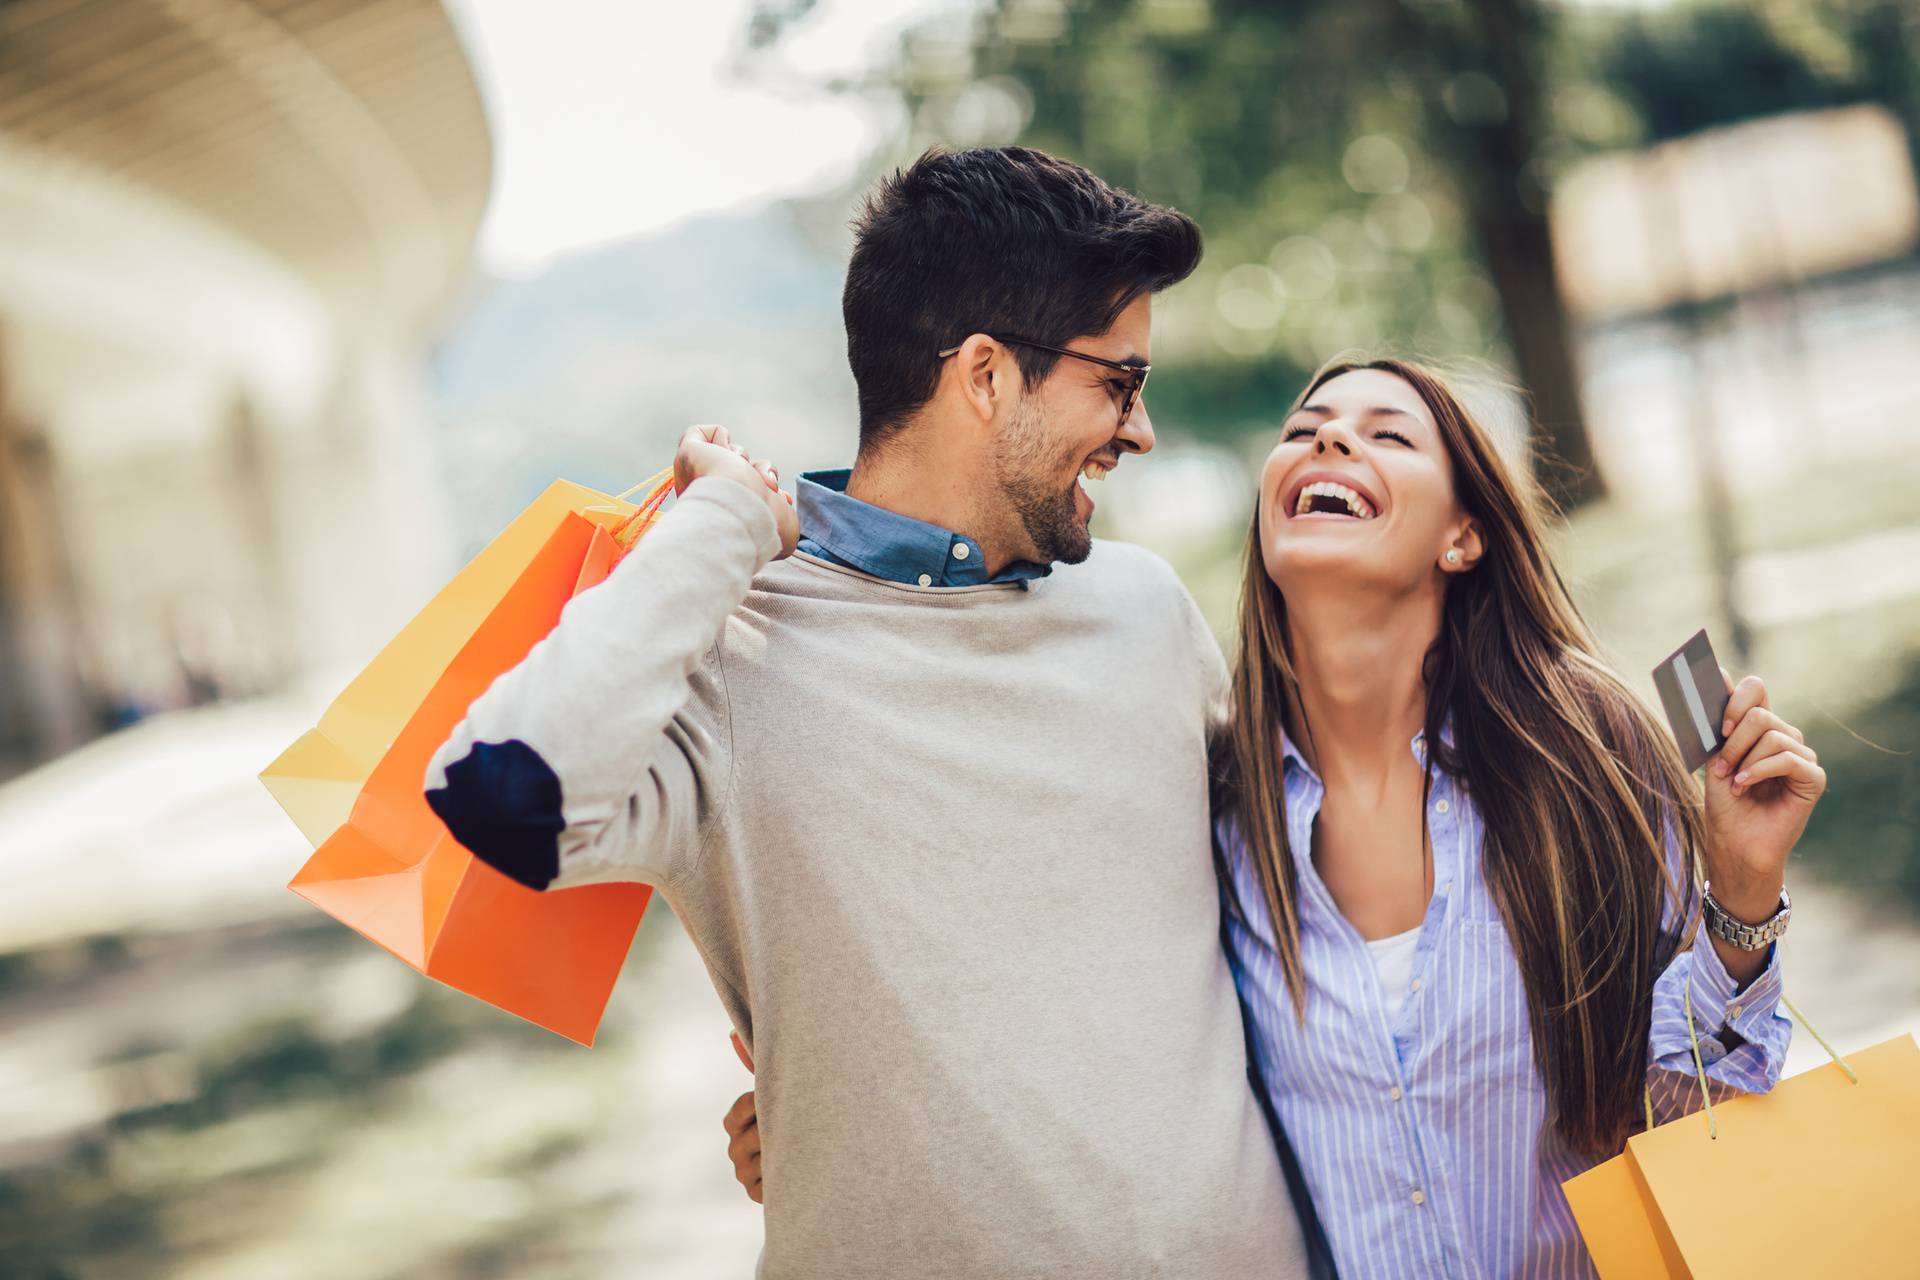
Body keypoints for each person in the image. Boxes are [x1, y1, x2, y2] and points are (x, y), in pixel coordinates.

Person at [725, 356, 1824, 1279]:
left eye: (1386, 436)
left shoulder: (1585, 759)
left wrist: (1740, 897)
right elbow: (1102, 1043)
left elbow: (1698, 1124)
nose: (1331, 446)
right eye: (1307, 429)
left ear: (1463, 537)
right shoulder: (1210, 814)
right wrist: (844, 1113)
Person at [423, 147, 1314, 1279]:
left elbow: (1295, 915)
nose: (1139, 430)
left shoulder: (1146, 611)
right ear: (986, 375)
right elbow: (497, 789)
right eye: (1119, 383)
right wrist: (722, 527)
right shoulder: (732, 652)